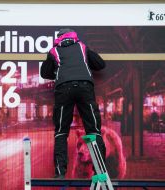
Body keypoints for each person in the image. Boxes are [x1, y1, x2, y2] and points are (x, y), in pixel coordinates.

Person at [40, 28, 106, 179]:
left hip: (63, 89)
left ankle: (60, 173)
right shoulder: (82, 47)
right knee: (94, 130)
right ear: (73, 36)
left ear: (59, 38)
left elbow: (44, 73)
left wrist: (58, 71)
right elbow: (100, 64)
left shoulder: (53, 51)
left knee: (61, 132)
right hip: (85, 87)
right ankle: (100, 171)